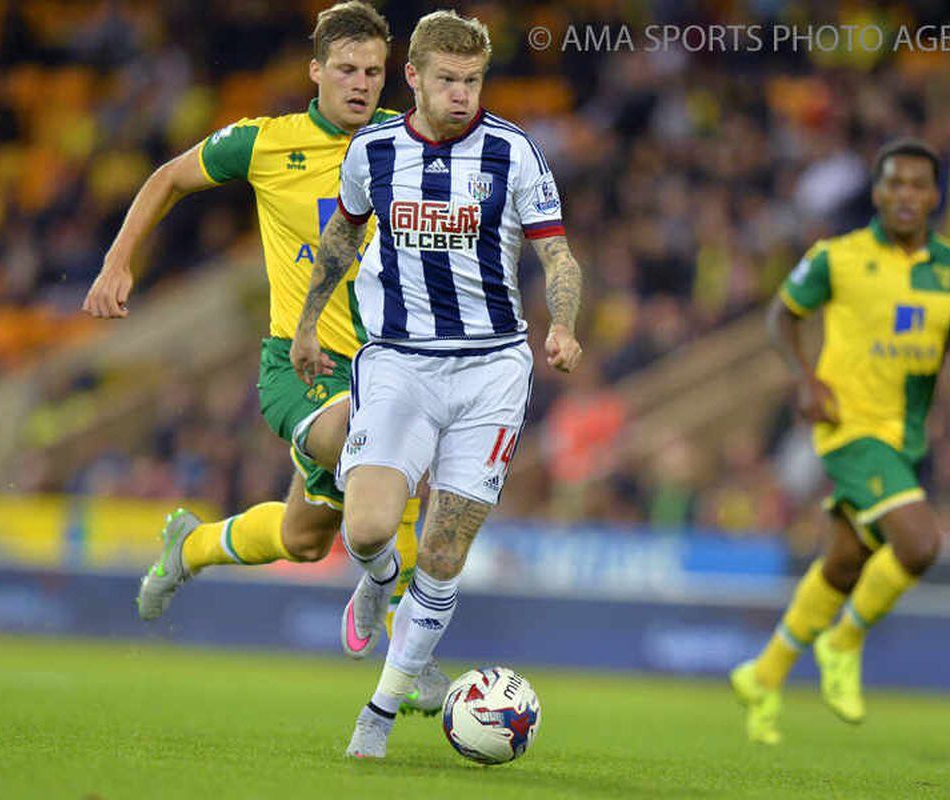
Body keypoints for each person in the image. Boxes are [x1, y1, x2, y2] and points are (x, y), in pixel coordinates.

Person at [81, 1, 448, 713]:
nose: (361, 83)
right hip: (301, 370)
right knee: (388, 435)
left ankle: (188, 547)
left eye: (374, 71)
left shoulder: (408, 143)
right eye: (346, 69)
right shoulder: (265, 143)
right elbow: (167, 178)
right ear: (315, 71)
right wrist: (118, 261)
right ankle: (408, 644)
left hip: (385, 366)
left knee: (303, 539)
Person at [291, 9, 584, 758]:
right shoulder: (374, 150)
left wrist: (563, 324)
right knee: (364, 531)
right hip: (400, 362)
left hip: (491, 370)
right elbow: (342, 235)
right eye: (447, 79)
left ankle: (378, 714)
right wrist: (306, 322)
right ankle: (378, 579)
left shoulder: (513, 152)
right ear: (413, 77)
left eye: (474, 80)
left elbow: (558, 257)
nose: (461, 94)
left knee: (447, 552)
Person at [730, 138, 950, 745]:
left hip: (907, 438)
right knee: (920, 544)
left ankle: (763, 675)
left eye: (917, 185)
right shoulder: (836, 258)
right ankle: (843, 642)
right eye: (893, 183)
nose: (905, 195)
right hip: (848, 427)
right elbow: (782, 316)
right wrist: (806, 378)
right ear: (877, 192)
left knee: (846, 560)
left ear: (933, 195)